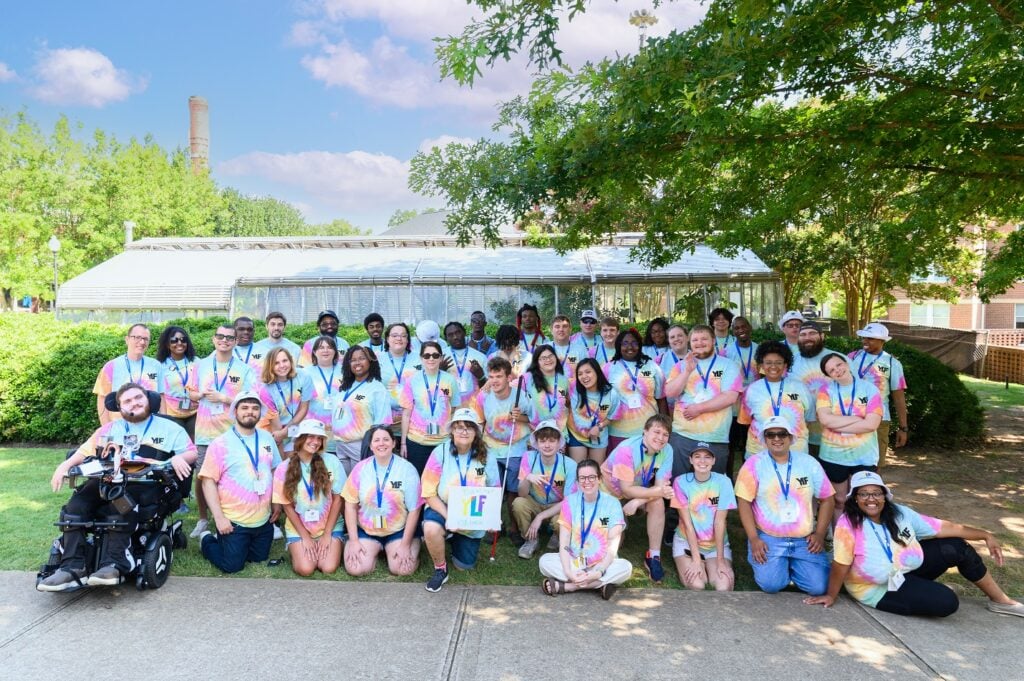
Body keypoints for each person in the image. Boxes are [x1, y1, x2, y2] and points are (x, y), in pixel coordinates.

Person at [39, 384, 197, 591]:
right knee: (76, 506)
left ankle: (115, 563)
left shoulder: (170, 428)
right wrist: (64, 465)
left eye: (138, 397)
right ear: (120, 407)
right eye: (128, 401)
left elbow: (192, 453)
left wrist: (178, 457)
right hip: (109, 479)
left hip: (147, 482)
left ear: (148, 399)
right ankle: (72, 567)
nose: (135, 403)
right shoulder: (110, 429)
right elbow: (83, 451)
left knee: (120, 504)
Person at [805, 471, 1024, 618]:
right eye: (863, 494)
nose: (870, 499)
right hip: (877, 588)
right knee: (947, 602)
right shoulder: (848, 524)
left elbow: (944, 528)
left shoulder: (900, 513)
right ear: (855, 499)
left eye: (876, 493)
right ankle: (930, 590)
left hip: (907, 570)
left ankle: (1000, 601)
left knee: (955, 546)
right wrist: (831, 595)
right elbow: (840, 565)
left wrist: (985, 535)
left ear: (885, 496)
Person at [735, 415, 835, 596]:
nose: (776, 439)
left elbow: (827, 498)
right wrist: (754, 539)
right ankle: (785, 566)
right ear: (764, 439)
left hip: (804, 539)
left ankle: (799, 564)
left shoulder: (808, 463)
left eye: (782, 434)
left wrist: (820, 533)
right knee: (771, 585)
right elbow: (744, 502)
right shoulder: (753, 464)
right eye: (770, 435)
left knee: (818, 587)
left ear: (790, 437)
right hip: (769, 537)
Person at [197, 391, 281, 574]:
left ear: (260, 412)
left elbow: (275, 470)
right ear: (235, 411)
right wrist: (219, 518)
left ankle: (241, 543)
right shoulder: (220, 443)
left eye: (255, 408)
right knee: (232, 566)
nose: (250, 412)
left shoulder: (267, 438)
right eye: (244, 407)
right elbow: (208, 482)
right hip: (234, 521)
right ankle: (206, 540)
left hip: (263, 520)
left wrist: (276, 503)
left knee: (259, 558)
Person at [186, 324, 255, 538]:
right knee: (202, 477)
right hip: (206, 432)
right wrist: (200, 395)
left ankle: (228, 516)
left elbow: (250, 400)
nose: (224, 340)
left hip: (232, 433)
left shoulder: (244, 369)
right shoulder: (201, 365)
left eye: (229, 338)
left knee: (231, 477)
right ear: (213, 340)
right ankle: (203, 519)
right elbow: (191, 393)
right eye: (220, 336)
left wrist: (224, 399)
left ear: (235, 342)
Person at [420, 408, 499, 592]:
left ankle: (453, 538)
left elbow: (493, 489)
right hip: (443, 506)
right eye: (459, 427)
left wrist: (491, 517)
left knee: (464, 566)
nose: (464, 431)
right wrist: (450, 516)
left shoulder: (487, 455)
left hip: (474, 511)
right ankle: (440, 569)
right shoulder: (440, 452)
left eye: (469, 428)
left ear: (476, 433)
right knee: (431, 528)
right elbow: (428, 492)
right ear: (452, 430)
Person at [539, 458, 631, 600]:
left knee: (626, 567)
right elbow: (564, 543)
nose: (587, 481)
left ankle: (569, 587)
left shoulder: (613, 503)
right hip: (575, 559)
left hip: (602, 562)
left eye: (591, 477)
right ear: (577, 482)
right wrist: (569, 572)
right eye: (582, 478)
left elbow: (613, 545)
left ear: (599, 479)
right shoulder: (569, 501)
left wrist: (599, 571)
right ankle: (599, 585)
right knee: (544, 561)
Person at [600, 414, 675, 582]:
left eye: (665, 435)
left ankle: (654, 556)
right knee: (613, 544)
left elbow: (660, 487)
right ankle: (620, 527)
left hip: (635, 492)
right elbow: (626, 490)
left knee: (658, 503)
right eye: (656, 432)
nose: (661, 438)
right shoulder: (626, 450)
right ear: (645, 432)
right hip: (609, 494)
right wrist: (649, 494)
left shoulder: (667, 450)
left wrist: (638, 501)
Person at [342, 426, 422, 576]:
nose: (381, 443)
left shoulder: (407, 469)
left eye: (386, 439)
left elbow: (414, 509)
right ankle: (374, 552)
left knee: (402, 570)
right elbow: (350, 505)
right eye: (376, 440)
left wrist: (405, 545)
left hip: (398, 530)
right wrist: (353, 541)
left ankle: (410, 544)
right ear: (371, 446)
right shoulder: (360, 469)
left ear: (393, 443)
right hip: (368, 530)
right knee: (356, 569)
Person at [663, 324, 741, 475]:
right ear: (690, 343)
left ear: (713, 340)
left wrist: (698, 408)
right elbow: (670, 392)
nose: (699, 343)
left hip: (715, 436)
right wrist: (686, 371)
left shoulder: (729, 366)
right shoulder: (681, 366)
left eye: (704, 339)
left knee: (712, 487)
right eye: (695, 340)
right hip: (683, 435)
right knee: (679, 483)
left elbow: (730, 397)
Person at [473, 356, 534, 546]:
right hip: (491, 448)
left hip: (515, 448)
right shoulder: (483, 396)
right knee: (492, 489)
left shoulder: (520, 395)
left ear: (508, 377)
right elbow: (480, 423)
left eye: (499, 376)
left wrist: (520, 417)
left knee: (512, 492)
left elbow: (534, 420)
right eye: (491, 376)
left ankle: (513, 528)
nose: (494, 381)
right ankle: (493, 526)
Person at [272, 419, 345, 576]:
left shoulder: (332, 461)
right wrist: (305, 537)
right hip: (300, 527)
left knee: (328, 568)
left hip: (329, 526)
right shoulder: (283, 468)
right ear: (300, 438)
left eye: (319, 438)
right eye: (310, 437)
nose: (316, 442)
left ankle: (335, 542)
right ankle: (297, 548)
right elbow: (287, 506)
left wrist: (327, 535)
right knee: (306, 569)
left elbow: (338, 499)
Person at [816, 352, 883, 521]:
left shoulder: (870, 389)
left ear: (846, 363)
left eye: (839, 365)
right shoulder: (825, 391)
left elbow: (871, 424)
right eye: (831, 370)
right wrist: (856, 419)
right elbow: (825, 419)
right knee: (839, 501)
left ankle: (862, 539)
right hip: (834, 455)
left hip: (864, 455)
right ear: (828, 375)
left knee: (864, 501)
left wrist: (836, 422)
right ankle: (838, 540)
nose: (837, 370)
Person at [671, 443, 737, 591]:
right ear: (691, 460)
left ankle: (715, 562)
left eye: (707, 457)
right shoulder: (680, 482)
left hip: (715, 546)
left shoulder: (724, 482)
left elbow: (720, 522)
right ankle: (697, 561)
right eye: (697, 456)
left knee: (723, 586)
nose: (702, 461)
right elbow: (687, 524)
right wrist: (695, 559)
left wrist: (720, 561)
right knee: (697, 585)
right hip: (687, 543)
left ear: (714, 461)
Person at [738, 340, 814, 459]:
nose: (773, 366)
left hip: (795, 450)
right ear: (761, 365)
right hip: (759, 451)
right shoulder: (752, 390)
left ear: (785, 365)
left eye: (778, 362)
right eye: (768, 362)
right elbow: (746, 420)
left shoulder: (800, 388)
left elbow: (808, 418)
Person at [514, 420, 579, 558]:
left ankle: (557, 535)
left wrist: (540, 517)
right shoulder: (529, 457)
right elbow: (522, 493)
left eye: (552, 440)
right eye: (542, 441)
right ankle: (530, 540)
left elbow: (569, 501)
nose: (547, 445)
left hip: (557, 505)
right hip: (535, 502)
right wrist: (527, 477)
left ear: (559, 443)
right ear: (536, 444)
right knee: (518, 503)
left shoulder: (570, 465)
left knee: (563, 517)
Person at [848, 322, 909, 467]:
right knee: (850, 463)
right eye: (863, 337)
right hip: (850, 418)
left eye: (870, 338)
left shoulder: (892, 363)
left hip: (879, 420)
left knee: (876, 463)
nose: (865, 341)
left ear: (882, 341)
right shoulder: (851, 357)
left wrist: (903, 428)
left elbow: (899, 398)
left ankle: (873, 489)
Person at [399, 340, 463, 474]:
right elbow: (406, 414)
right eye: (427, 355)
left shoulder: (450, 380)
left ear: (440, 357)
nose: (431, 358)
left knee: (441, 480)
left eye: (435, 355)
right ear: (421, 358)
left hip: (443, 442)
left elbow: (455, 410)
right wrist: (403, 443)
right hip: (417, 442)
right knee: (419, 482)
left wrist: (453, 437)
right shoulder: (412, 381)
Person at [603, 327, 666, 454]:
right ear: (618, 346)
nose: (630, 347)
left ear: (640, 345)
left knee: (647, 469)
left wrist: (664, 425)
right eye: (625, 343)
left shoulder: (652, 366)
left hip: (649, 431)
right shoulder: (608, 368)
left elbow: (661, 398)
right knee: (621, 469)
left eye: (634, 343)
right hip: (618, 431)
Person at [331, 345, 392, 474]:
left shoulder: (377, 388)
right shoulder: (346, 385)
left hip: (359, 446)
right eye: (353, 360)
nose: (357, 363)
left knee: (357, 486)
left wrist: (372, 447)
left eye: (362, 358)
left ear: (370, 361)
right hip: (340, 445)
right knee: (342, 488)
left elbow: (382, 423)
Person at [788, 321, 840, 457]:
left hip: (835, 434)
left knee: (833, 476)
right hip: (799, 434)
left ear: (822, 336)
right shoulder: (789, 361)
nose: (807, 337)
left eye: (812, 333)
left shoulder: (838, 360)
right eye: (803, 334)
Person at [94, 323, 163, 424]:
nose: (142, 342)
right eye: (137, 337)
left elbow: (162, 396)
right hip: (120, 426)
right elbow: (102, 398)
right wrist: (106, 429)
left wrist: (164, 422)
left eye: (146, 339)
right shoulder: (111, 366)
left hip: (150, 426)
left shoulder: (156, 365)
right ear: (127, 339)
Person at [566, 357, 622, 464]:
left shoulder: (611, 394)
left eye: (588, 372)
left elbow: (612, 416)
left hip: (598, 437)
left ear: (597, 372)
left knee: (595, 472)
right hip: (577, 435)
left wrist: (599, 426)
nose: (584, 377)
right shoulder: (573, 387)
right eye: (580, 374)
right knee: (577, 471)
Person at [258, 347, 312, 456]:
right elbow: (275, 428)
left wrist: (287, 429)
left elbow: (304, 408)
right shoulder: (266, 390)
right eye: (276, 363)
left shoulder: (304, 376)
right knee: (282, 463)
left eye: (285, 360)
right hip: (273, 429)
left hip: (295, 426)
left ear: (290, 361)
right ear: (270, 366)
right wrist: (281, 435)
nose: (282, 366)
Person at [723, 316, 758, 474]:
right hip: (732, 409)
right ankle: (729, 479)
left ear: (750, 328)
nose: (741, 330)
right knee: (730, 446)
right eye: (737, 328)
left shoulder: (758, 350)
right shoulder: (727, 352)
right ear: (733, 332)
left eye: (744, 327)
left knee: (748, 445)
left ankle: (748, 478)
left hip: (753, 406)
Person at [301, 335, 343, 458]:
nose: (325, 350)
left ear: (335, 351)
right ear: (314, 352)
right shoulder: (305, 373)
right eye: (321, 347)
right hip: (313, 430)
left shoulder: (345, 372)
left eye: (329, 347)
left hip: (339, 431)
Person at [156, 325, 197, 440]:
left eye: (183, 340)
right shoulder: (160, 365)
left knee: (196, 446)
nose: (179, 343)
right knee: (179, 444)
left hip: (195, 411)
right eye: (174, 340)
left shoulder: (196, 362)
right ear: (167, 344)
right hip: (172, 413)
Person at [380, 322, 421, 431]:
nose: (399, 338)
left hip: (414, 420)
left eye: (403, 335)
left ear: (407, 340)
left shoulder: (419, 358)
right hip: (386, 421)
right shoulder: (377, 359)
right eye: (394, 335)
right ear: (387, 339)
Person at [524, 344, 569, 433]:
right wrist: (489, 383)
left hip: (560, 432)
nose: (548, 360)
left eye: (550, 356)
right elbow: (509, 388)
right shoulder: (528, 378)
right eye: (543, 358)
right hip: (537, 432)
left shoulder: (564, 379)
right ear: (537, 361)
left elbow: (568, 402)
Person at [444, 321, 487, 405]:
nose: (455, 337)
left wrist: (481, 376)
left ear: (464, 333)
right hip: (449, 407)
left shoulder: (480, 357)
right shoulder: (441, 356)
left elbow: (489, 387)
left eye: (458, 332)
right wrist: (440, 371)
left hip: (475, 407)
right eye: (450, 335)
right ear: (446, 338)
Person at [657, 324, 689, 412]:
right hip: (669, 410)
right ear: (669, 341)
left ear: (687, 337)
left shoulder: (696, 358)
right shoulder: (660, 360)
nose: (676, 339)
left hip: (693, 408)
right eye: (672, 337)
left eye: (680, 335)